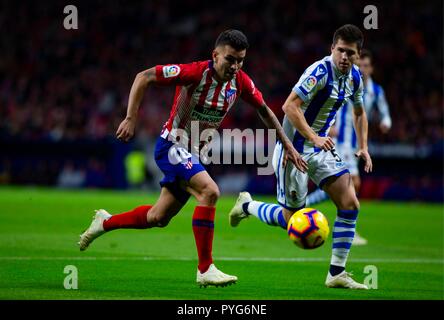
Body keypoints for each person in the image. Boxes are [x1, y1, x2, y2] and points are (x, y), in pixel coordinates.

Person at [78, 29, 307, 287]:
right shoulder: (195, 73)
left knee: (158, 217)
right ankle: (205, 268)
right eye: (230, 59)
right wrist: (131, 118)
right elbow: (144, 77)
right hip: (172, 145)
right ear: (215, 55)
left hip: (195, 154)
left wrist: (288, 145)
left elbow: (264, 110)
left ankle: (105, 222)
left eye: (240, 60)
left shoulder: (240, 82)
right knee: (210, 192)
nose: (235, 66)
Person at [229, 24, 372, 289]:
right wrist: (313, 137)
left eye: (350, 53)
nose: (344, 57)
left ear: (357, 55)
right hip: (293, 150)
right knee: (290, 219)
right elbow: (289, 106)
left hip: (320, 148)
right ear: (332, 48)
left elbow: (360, 112)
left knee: (350, 203)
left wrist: (363, 146)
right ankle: (247, 205)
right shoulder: (319, 71)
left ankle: (336, 273)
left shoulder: (354, 78)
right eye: (340, 50)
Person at [306, 49, 392, 245]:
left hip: (355, 144)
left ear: (371, 68)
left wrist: (386, 122)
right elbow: (333, 104)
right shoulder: (348, 82)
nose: (362, 69)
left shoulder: (375, 91)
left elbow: (384, 110)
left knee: (348, 186)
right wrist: (331, 126)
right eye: (359, 65)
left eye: (366, 66)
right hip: (340, 142)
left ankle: (308, 206)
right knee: (351, 183)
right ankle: (346, 229)